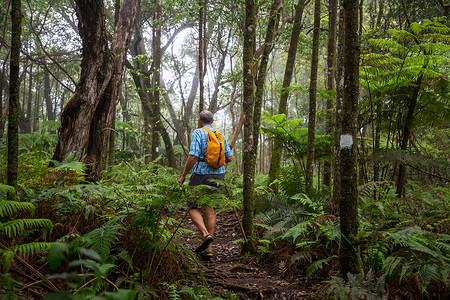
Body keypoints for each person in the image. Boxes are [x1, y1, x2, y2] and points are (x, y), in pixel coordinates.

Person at [178, 110, 233, 257]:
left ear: (200, 121)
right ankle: (209, 250)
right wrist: (217, 161)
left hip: (200, 175)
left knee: (191, 206)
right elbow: (230, 158)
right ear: (213, 121)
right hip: (218, 176)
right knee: (211, 209)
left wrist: (184, 175)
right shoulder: (220, 135)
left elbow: (193, 157)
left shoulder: (198, 133)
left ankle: (205, 234)